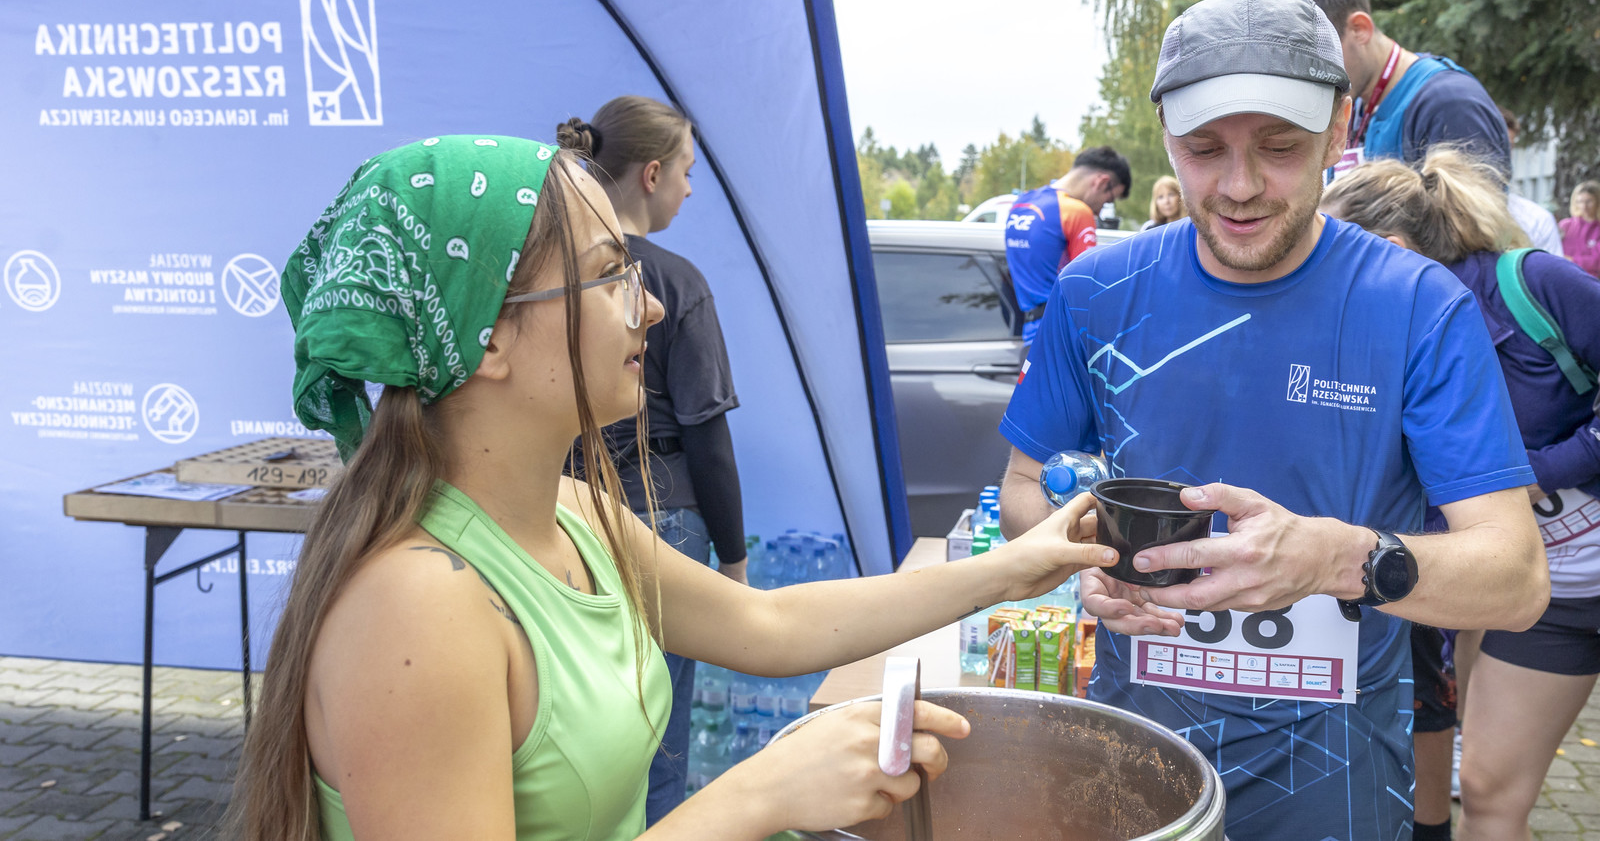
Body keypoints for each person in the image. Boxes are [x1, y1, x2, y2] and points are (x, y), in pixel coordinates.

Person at [226, 132, 1117, 841]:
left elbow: (769, 626)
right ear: (484, 338)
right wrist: (759, 794)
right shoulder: (416, 608)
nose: (648, 305)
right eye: (611, 274)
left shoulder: (573, 513)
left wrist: (1015, 567)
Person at [997, 0, 1548, 841]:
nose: (1241, 185)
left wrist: (1337, 558)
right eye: (1203, 149)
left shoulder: (1417, 305)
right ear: (1166, 136)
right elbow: (1023, 489)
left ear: (1337, 129)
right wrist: (1083, 556)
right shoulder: (1096, 292)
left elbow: (1516, 580)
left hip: (1335, 787)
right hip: (1136, 772)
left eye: (1280, 147)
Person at [1324, 148, 1600, 841]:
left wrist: (1541, 468)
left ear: (1390, 252)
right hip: (1542, 593)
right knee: (1486, 790)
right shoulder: (1388, 339)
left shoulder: (1536, 285)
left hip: (1575, 560)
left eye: (1327, 260)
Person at [568, 96, 746, 823]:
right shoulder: (675, 282)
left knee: (586, 738)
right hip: (662, 519)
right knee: (660, 751)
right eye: (687, 171)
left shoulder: (556, 272)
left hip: (567, 517)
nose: (690, 188)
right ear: (651, 174)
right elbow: (707, 437)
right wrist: (733, 563)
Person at [1264, 0, 1512, 176]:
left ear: (1359, 29)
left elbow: (1475, 214)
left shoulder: (1450, 104)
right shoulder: (1357, 103)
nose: (1306, 76)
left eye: (1315, 58)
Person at [1004, 144, 1130, 343]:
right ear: (1101, 182)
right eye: (1108, 200)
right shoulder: (1076, 212)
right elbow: (1088, 287)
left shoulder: (1021, 203)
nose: (1100, 211)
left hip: (1029, 334)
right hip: (1061, 337)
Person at [1499, 106, 1565, 257]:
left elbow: (1550, 271)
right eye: (1497, 143)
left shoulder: (1536, 220)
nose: (1502, 154)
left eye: (1509, 146)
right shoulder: (1447, 217)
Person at [1562, 180, 1600, 278]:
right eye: (1580, 201)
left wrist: (1572, 260)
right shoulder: (1565, 226)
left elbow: (1597, 261)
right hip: (1565, 277)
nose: (1584, 206)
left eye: (1589, 201)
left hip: (1592, 280)